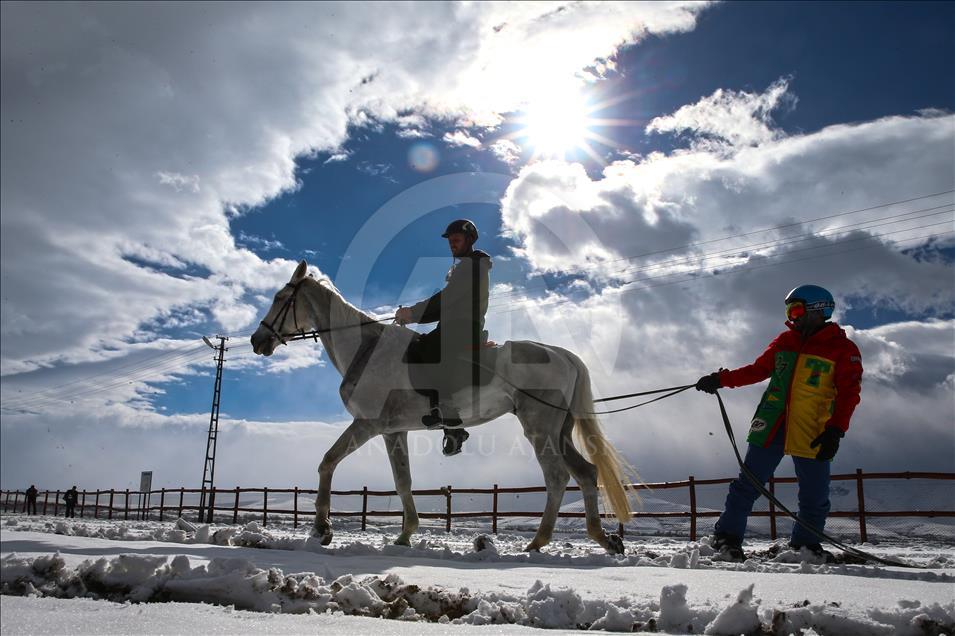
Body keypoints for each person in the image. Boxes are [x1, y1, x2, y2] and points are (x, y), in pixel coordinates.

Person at [695, 285, 863, 562]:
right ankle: (727, 538)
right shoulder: (785, 341)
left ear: (819, 310)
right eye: (789, 311)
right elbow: (758, 370)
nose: (792, 317)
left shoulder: (843, 349)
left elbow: (849, 393)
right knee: (746, 484)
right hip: (771, 423)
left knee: (814, 493)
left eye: (796, 310)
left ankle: (805, 546)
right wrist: (720, 380)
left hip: (814, 430)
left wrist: (835, 429)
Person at [396, 219, 492, 456]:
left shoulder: (473, 266)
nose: (452, 245)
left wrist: (412, 312)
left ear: (469, 240)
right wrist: (413, 317)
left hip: (462, 327)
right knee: (421, 345)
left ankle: (450, 416)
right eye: (450, 242)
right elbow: (443, 307)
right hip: (453, 325)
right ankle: (444, 416)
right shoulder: (467, 266)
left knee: (425, 351)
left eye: (456, 240)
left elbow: (446, 299)